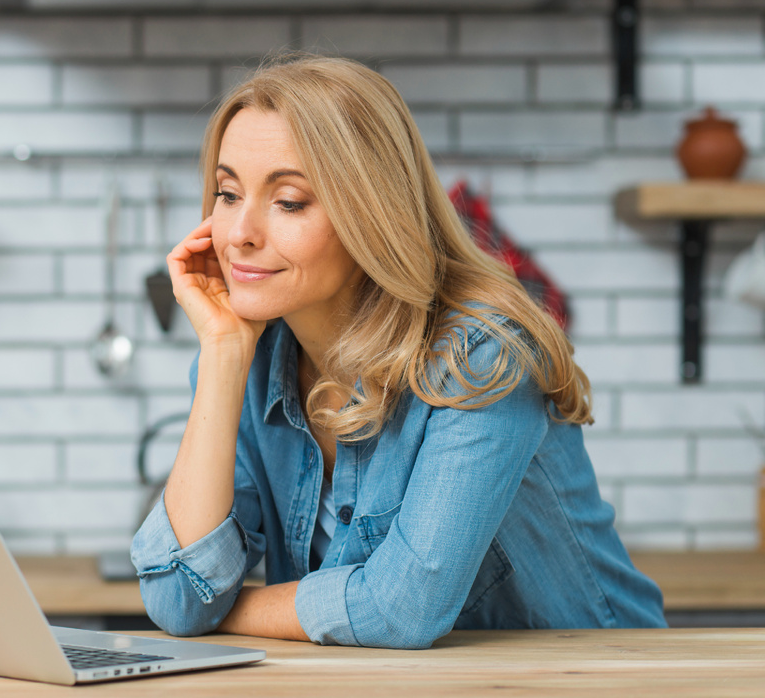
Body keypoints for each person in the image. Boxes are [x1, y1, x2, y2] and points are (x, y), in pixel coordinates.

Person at [129, 55, 667, 649]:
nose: (237, 234)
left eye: (289, 202)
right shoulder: (249, 358)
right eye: (228, 194)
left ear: (371, 214)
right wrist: (222, 353)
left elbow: (402, 609)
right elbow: (178, 598)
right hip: (402, 687)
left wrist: (225, 611)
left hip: (601, 678)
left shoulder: (480, 357)